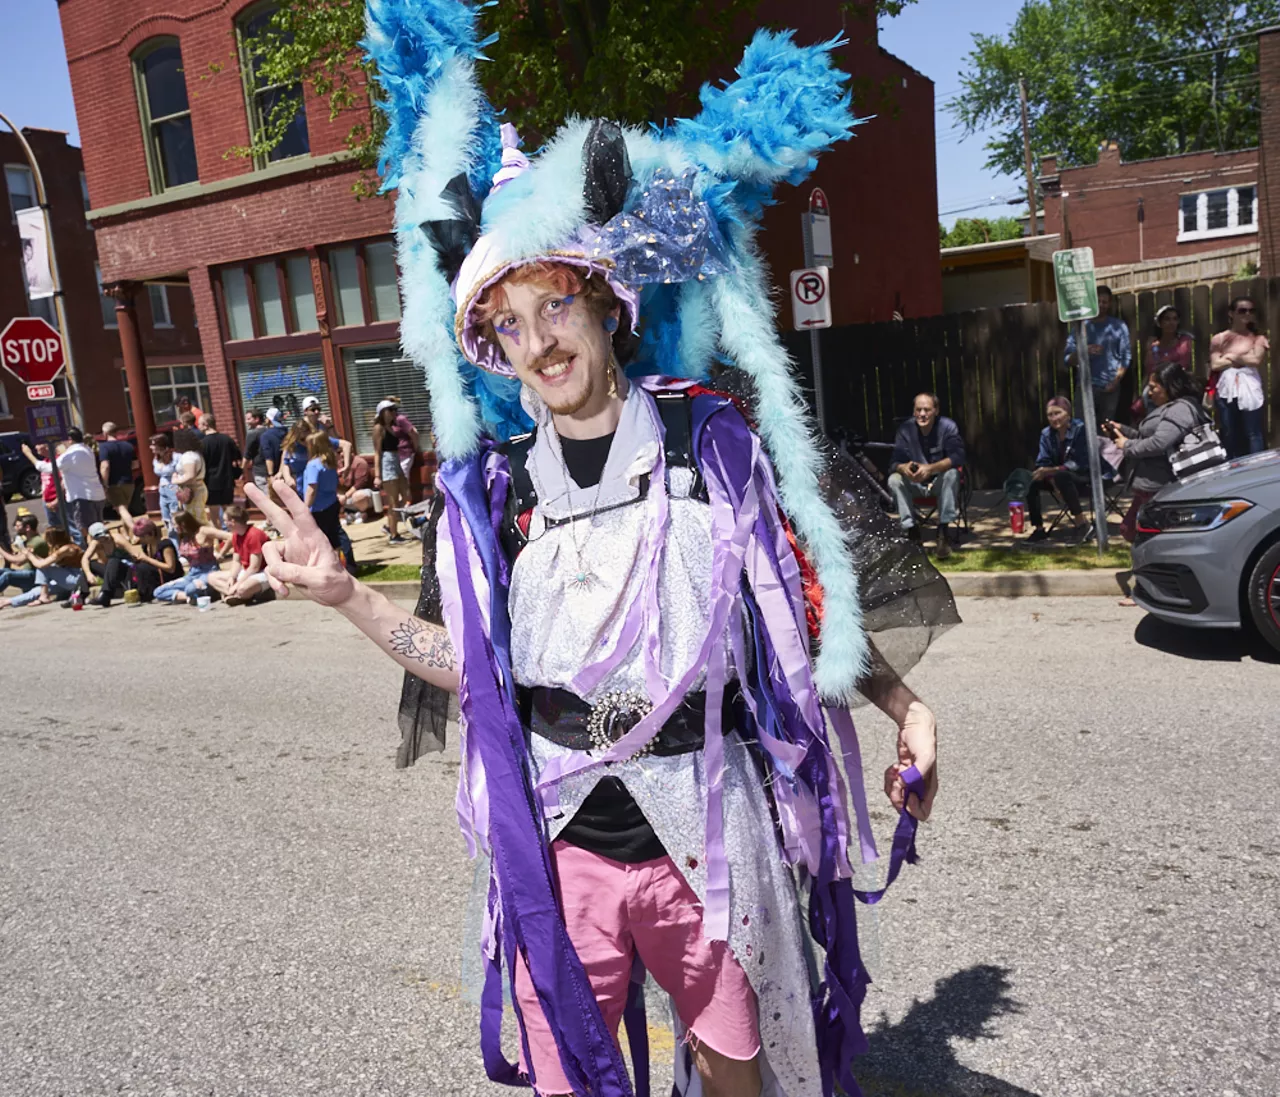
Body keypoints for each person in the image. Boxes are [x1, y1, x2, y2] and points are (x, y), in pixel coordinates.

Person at [247, 32, 946, 1094]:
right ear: (491, 350)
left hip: (705, 829)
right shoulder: (493, 494)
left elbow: (791, 611)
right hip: (562, 843)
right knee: (567, 1071)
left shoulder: (708, 445)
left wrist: (904, 704)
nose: (538, 340)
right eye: (508, 325)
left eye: (553, 303)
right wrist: (347, 593)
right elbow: (473, 666)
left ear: (604, 303)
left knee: (735, 1068)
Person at [1104, 361, 1204, 544]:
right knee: (1131, 530)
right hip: (1150, 484)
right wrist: (1123, 431)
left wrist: (1127, 445)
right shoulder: (1170, 408)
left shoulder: (1180, 409)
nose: (1149, 393)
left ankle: (1158, 568)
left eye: (1153, 388)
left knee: (1146, 533)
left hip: (1162, 484)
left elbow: (1159, 443)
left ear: (1168, 386)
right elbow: (1148, 437)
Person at [887, 392, 966, 558]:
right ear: (914, 412)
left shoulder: (947, 426)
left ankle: (943, 532)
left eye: (927, 410)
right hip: (915, 483)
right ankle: (912, 531)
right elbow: (894, 463)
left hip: (939, 482)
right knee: (894, 479)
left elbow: (958, 457)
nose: (922, 414)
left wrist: (931, 469)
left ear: (936, 411)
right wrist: (904, 468)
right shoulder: (905, 430)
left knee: (952, 474)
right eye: (918, 410)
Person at [1024, 396, 1093, 544]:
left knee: (1062, 475)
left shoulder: (1080, 430)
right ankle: (1039, 529)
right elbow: (1043, 462)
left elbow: (1080, 462)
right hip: (1058, 478)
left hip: (1083, 476)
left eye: (1058, 413)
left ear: (1068, 413)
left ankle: (1082, 524)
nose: (1054, 418)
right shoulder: (1046, 434)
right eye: (1050, 414)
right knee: (1032, 480)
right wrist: (1053, 483)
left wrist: (1052, 472)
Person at [1210, 296, 1268, 457]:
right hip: (1226, 390)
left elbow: (1256, 360)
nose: (1247, 314)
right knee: (1229, 432)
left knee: (1253, 432)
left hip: (1250, 388)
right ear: (1231, 314)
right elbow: (1215, 364)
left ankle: (1257, 467)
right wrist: (1244, 358)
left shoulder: (1258, 338)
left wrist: (1230, 356)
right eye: (1242, 310)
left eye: (1251, 310)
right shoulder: (1219, 338)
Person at [1065, 285, 1131, 424]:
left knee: (1106, 428)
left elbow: (1125, 357)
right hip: (1084, 387)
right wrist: (1083, 350)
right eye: (1098, 301)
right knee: (1081, 428)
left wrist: (1115, 381)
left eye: (1105, 302)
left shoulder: (1119, 326)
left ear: (1110, 303)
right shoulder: (1081, 327)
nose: (1101, 305)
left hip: (1110, 387)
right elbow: (1068, 359)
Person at [372, 399, 419, 544]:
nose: (394, 412)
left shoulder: (393, 427)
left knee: (406, 495)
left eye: (394, 410)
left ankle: (390, 525)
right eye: (390, 410)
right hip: (387, 463)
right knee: (393, 502)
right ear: (382, 412)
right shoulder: (379, 428)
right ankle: (393, 534)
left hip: (396, 460)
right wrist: (378, 475)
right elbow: (377, 453)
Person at [0, 528, 82, 609]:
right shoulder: (60, 548)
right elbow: (45, 562)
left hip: (76, 579)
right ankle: (8, 601)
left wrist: (29, 555)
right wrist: (34, 555)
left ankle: (44, 596)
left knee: (43, 567)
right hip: (67, 579)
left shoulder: (67, 549)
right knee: (37, 590)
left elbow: (41, 565)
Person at [153, 510, 225, 604]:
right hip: (192, 574)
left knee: (190, 589)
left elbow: (230, 537)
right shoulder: (184, 536)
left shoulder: (203, 531)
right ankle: (190, 597)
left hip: (208, 571)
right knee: (158, 592)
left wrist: (222, 552)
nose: (174, 527)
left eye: (175, 524)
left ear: (182, 524)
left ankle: (208, 591)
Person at [206, 505, 272, 606]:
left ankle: (235, 594)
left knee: (242, 589)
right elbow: (236, 561)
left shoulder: (254, 535)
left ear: (232, 521)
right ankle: (231, 594)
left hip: (263, 572)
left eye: (225, 520)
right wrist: (232, 577)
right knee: (211, 577)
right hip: (246, 571)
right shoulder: (236, 535)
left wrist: (238, 583)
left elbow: (254, 567)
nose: (224, 523)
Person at [1142, 305, 1193, 412]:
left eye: (1175, 319)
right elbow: (1150, 368)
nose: (1171, 322)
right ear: (1159, 323)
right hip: (1158, 384)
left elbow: (1183, 364)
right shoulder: (1154, 345)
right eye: (1167, 319)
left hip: (1177, 383)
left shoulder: (1184, 341)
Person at [301, 431, 343, 554]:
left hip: (318, 509)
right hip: (332, 503)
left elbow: (312, 489)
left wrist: (305, 508)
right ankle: (342, 564)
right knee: (334, 538)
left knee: (320, 540)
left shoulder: (313, 465)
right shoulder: (329, 462)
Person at [120, 518, 181, 603]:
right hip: (156, 574)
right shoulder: (146, 546)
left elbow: (170, 568)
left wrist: (146, 559)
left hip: (168, 576)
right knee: (134, 566)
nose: (140, 540)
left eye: (142, 537)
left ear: (151, 534)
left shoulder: (165, 544)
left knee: (143, 567)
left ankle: (147, 594)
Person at [199, 413, 242, 528]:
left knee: (214, 514)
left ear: (205, 424)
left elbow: (201, 464)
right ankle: (235, 534)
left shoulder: (203, 444)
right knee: (230, 511)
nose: (198, 427)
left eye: (199, 424)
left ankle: (220, 540)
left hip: (210, 482)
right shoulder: (227, 439)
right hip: (227, 480)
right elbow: (237, 457)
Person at [97, 421, 136, 528]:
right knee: (124, 510)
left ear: (105, 433)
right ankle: (129, 536)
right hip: (129, 482)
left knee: (121, 509)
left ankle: (137, 531)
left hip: (114, 484)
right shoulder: (128, 445)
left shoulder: (104, 447)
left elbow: (105, 466)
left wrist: (104, 484)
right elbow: (135, 464)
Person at [300, 396, 355, 472]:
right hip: (305, 467)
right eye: (313, 409)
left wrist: (329, 426)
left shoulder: (322, 426)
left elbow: (338, 445)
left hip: (323, 466)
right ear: (305, 411)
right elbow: (287, 450)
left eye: (318, 409)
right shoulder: (301, 427)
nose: (317, 412)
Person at [0, 513, 47, 595]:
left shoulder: (37, 542)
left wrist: (1, 550)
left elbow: (18, 562)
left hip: (36, 577)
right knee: (2, 571)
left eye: (18, 526)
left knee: (8, 576)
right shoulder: (27, 542)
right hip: (28, 573)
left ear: (27, 528)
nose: (15, 528)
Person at [170, 428, 209, 524]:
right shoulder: (195, 454)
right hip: (198, 488)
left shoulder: (188, 456)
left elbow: (190, 476)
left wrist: (175, 480)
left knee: (196, 520)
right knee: (199, 518)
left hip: (193, 491)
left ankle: (205, 537)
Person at [150, 432, 179, 532]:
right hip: (162, 491)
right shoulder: (156, 459)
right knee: (166, 520)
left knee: (176, 519)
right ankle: (173, 542)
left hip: (174, 489)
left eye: (153, 444)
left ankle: (182, 544)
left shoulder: (176, 457)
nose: (151, 447)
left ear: (161, 445)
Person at [339, 453, 380, 522]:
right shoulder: (337, 464)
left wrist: (345, 496)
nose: (341, 454)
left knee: (358, 496)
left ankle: (363, 514)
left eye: (342, 451)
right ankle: (346, 515)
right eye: (338, 452)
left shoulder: (360, 462)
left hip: (366, 494)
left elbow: (359, 485)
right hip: (348, 496)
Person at [242, 409, 270, 493]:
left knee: (266, 498)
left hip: (260, 471)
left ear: (256, 419)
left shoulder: (252, 434)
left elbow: (247, 454)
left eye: (248, 419)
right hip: (272, 469)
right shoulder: (268, 431)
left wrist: (242, 470)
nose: (246, 422)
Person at [258, 407, 288, 480]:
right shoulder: (287, 433)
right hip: (287, 472)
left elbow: (269, 456)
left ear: (269, 420)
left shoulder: (266, 436)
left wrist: (270, 475)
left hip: (275, 474)